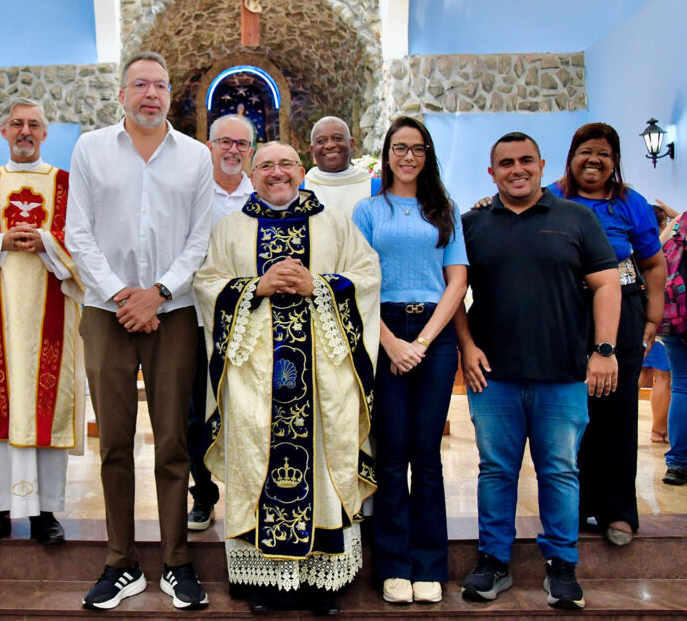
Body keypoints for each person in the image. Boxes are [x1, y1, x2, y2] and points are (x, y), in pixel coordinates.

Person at [195, 142, 380, 615]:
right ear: (252, 176)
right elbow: (207, 284)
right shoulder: (231, 228)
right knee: (255, 461)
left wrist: (318, 285)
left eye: (286, 165)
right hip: (253, 379)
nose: (276, 173)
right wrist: (255, 286)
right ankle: (262, 580)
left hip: (322, 376)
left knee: (321, 459)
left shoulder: (334, 222)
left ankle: (324, 581)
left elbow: (367, 274)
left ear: (303, 171)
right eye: (266, 166)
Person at [67, 52, 212, 611]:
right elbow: (78, 231)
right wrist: (124, 294)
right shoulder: (90, 149)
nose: (150, 93)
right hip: (108, 312)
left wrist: (161, 292)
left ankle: (177, 561)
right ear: (122, 94)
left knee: (174, 440)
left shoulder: (195, 157)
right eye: (139, 85)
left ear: (170, 93)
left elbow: (200, 238)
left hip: (172, 315)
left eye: (159, 84)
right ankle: (120, 562)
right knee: (116, 444)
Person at [455, 132, 620, 610]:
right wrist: (466, 346)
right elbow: (453, 290)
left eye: (526, 160)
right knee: (497, 471)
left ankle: (563, 567)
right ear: (492, 173)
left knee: (560, 472)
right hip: (495, 377)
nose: (517, 169)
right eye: (505, 163)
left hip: (563, 374)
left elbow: (607, 283)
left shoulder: (577, 218)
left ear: (543, 165)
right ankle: (492, 562)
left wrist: (604, 349)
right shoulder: (473, 224)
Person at [0, 97, 83, 546]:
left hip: (51, 316)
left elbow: (84, 248)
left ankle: (44, 512)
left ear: (46, 134)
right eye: (16, 124)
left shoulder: (69, 186)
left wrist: (47, 241)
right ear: (3, 131)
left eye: (33, 125)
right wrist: (1, 242)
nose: (25, 131)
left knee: (44, 405)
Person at [352, 117, 466, 605]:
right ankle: (394, 566)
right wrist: (392, 343)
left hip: (434, 334)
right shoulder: (368, 210)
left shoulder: (445, 209)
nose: (408, 156)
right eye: (400, 147)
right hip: (384, 328)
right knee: (392, 455)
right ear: (387, 153)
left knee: (427, 455)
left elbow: (456, 281)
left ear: (428, 154)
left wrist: (421, 342)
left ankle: (429, 565)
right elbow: (356, 284)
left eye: (417, 148)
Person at [546, 123, 665, 547]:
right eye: (585, 152)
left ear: (615, 162)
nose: (594, 161)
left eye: (604, 154)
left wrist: (652, 321)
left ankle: (617, 511)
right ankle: (573, 511)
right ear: (571, 156)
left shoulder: (630, 202)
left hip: (625, 312)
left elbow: (653, 264)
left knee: (617, 413)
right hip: (568, 311)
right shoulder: (550, 197)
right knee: (570, 415)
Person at [186, 113, 256, 533]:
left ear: (251, 150)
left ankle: (250, 496)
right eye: (224, 142)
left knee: (248, 412)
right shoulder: (192, 195)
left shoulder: (261, 196)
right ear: (209, 145)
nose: (233, 150)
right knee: (196, 414)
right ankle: (203, 494)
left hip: (251, 324)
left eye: (241, 144)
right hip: (197, 319)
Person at [303, 116, 378, 217]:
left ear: (351, 144)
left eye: (337, 138)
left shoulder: (376, 188)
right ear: (312, 150)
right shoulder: (300, 189)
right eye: (321, 141)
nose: (329, 145)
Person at [642, 205, 672, 444]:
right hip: (662, 319)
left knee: (639, 376)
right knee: (663, 379)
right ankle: (659, 430)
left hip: (639, 317)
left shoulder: (637, 244)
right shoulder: (663, 244)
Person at [661, 208, 687, 485]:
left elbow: (655, 253)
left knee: (681, 388)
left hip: (675, 318)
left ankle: (678, 464)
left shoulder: (681, 221)